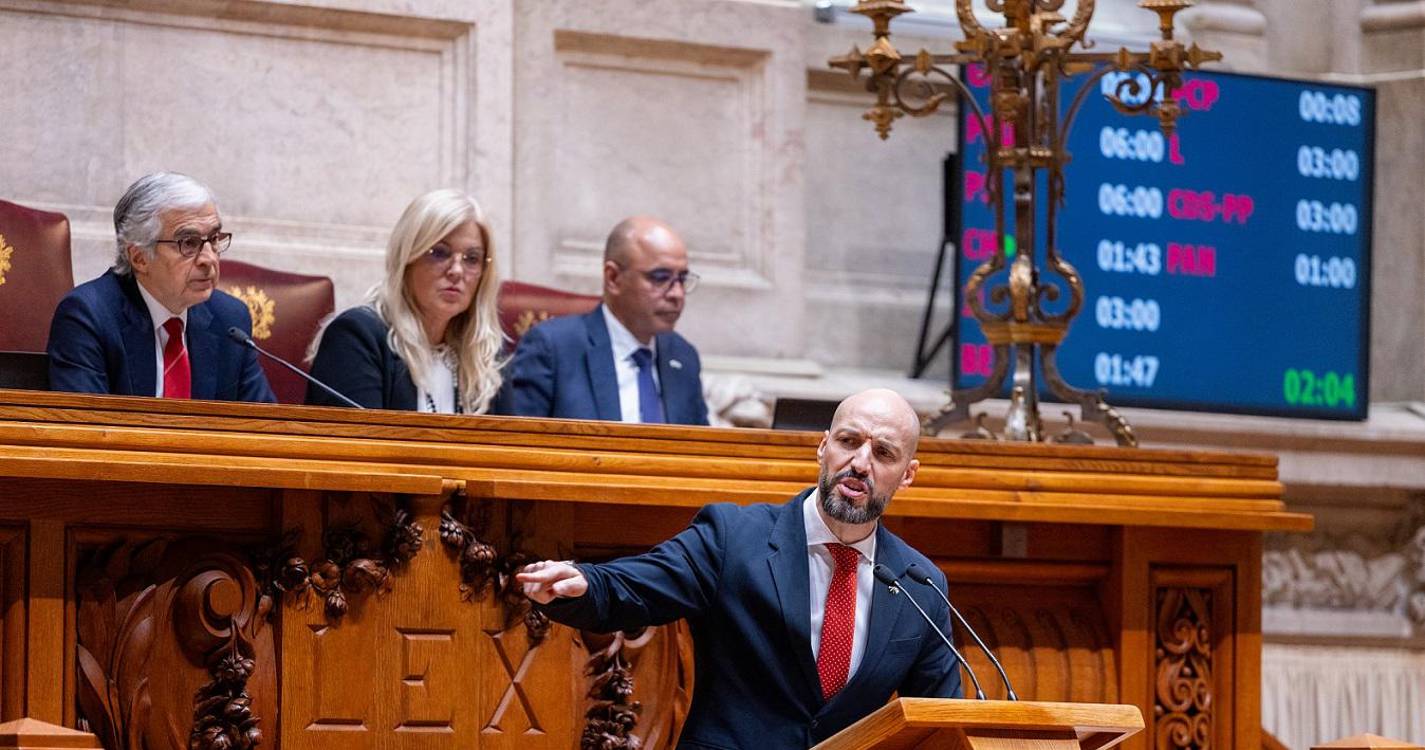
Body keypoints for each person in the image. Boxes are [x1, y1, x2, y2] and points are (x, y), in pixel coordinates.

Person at [518, 388, 962, 748]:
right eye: (849, 442)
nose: (860, 463)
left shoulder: (920, 585)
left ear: (907, 473)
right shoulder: (735, 536)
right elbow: (641, 585)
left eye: (884, 453)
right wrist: (586, 583)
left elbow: (941, 722)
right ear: (823, 446)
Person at [47, 172, 275, 402]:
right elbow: (88, 429)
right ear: (139, 258)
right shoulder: (88, 317)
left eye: (214, 238)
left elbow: (265, 427)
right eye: (188, 243)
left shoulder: (229, 320)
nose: (209, 259)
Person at [306, 189, 507, 414]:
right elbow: (358, 447)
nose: (457, 271)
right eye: (440, 253)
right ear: (407, 258)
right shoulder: (357, 338)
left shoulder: (483, 355)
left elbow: (513, 447)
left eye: (472, 259)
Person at [506, 216, 708, 424]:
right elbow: (520, 448)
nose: (677, 294)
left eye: (682, 279)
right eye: (660, 277)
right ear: (613, 278)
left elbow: (703, 451)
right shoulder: (553, 349)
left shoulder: (682, 356)